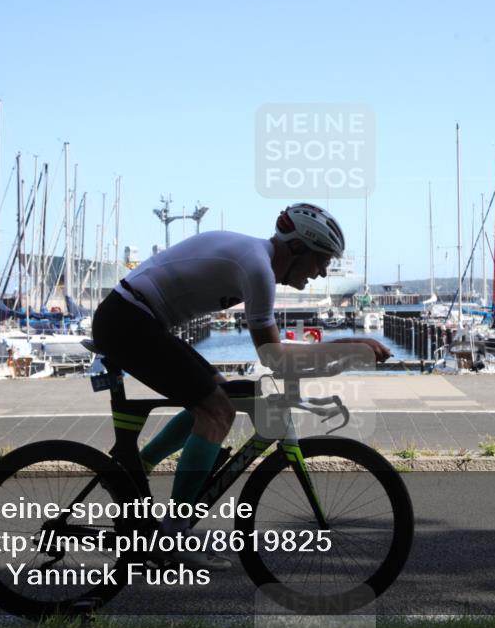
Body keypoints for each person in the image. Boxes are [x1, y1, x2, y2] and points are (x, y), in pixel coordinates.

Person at [91, 203, 390, 569]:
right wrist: (343, 346)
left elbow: (273, 353)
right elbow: (274, 358)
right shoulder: (257, 268)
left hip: (136, 318)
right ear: (296, 249)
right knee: (216, 411)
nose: (323, 271)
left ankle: (138, 466)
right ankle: (172, 535)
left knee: (225, 393)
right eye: (321, 259)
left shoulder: (256, 259)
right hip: (129, 320)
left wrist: (340, 350)